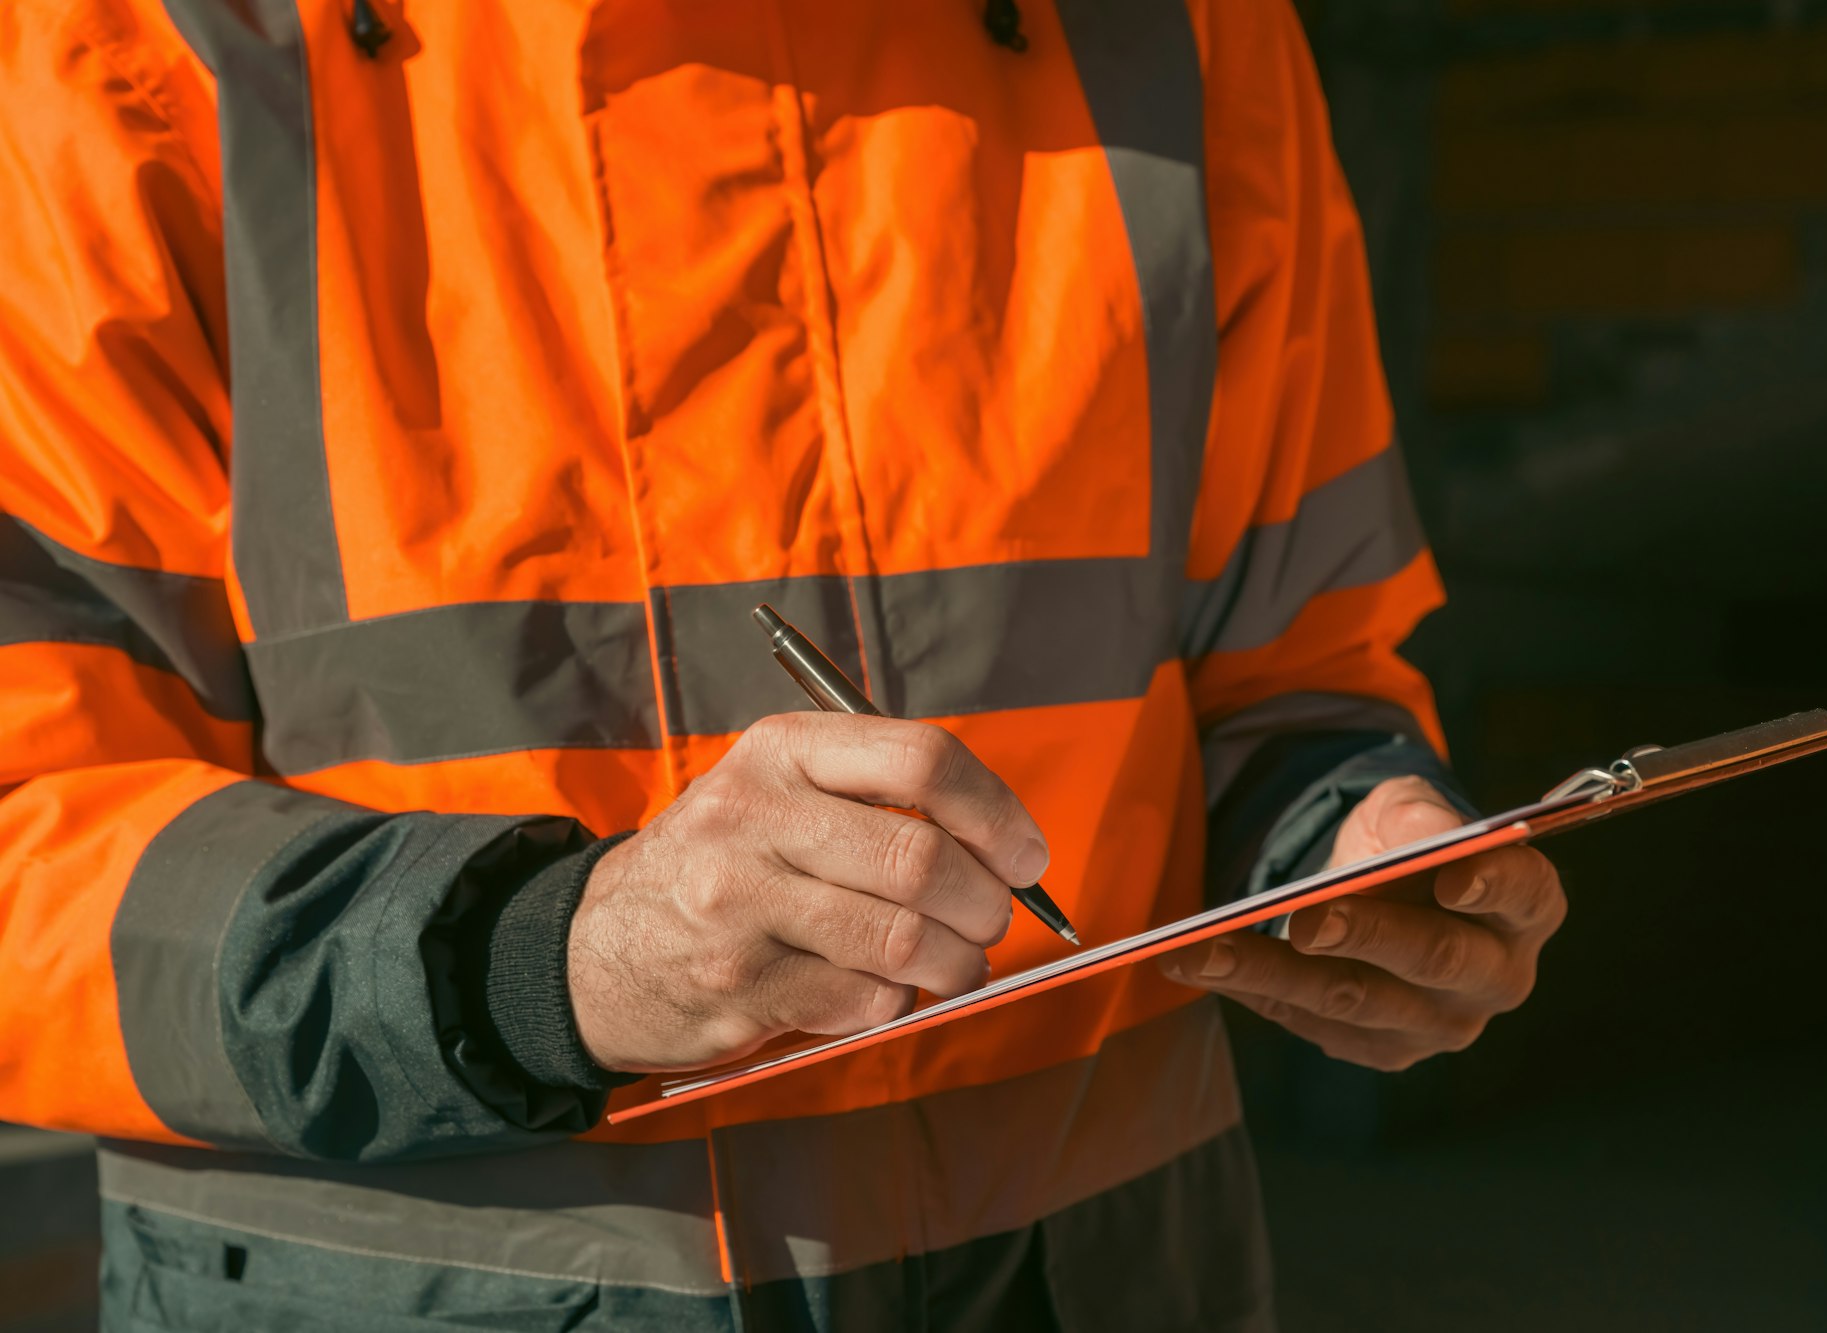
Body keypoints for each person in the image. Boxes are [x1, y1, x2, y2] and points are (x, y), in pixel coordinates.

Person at [0, 0, 1566, 1328]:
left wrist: (1343, 832)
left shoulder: (1173, 27)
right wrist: (562, 957)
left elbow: (1290, 661)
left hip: (1106, 1274)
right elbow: (28, 837)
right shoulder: (119, 55)